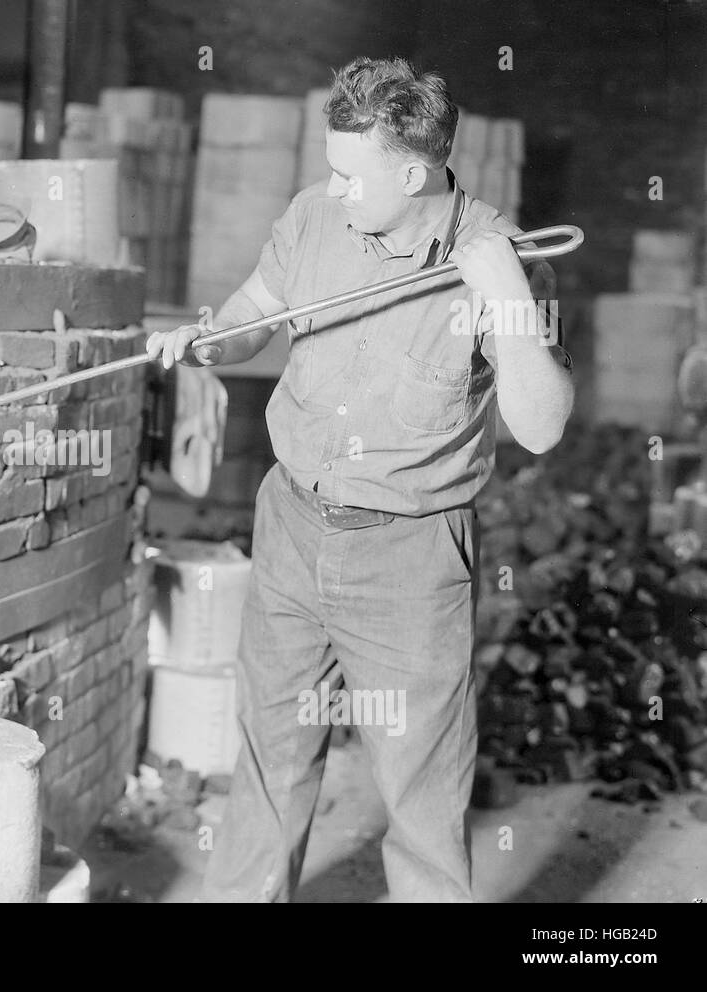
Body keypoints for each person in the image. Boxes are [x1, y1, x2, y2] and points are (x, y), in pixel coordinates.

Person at [147, 56, 574, 902]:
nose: (332, 188)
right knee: (270, 759)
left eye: (350, 175)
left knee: (421, 791)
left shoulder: (510, 262)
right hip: (291, 528)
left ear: (412, 172)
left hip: (411, 561)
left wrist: (508, 300)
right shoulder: (314, 216)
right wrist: (202, 338)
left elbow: (544, 425)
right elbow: (252, 313)